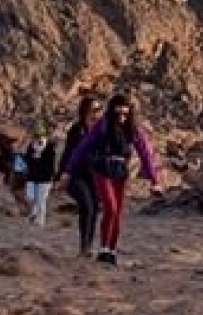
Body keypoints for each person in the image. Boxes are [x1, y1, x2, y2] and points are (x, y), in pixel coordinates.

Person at [60, 90, 160, 268]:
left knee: (118, 214)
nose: (122, 117)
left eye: (125, 114)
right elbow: (83, 147)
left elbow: (145, 153)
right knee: (111, 208)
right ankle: (103, 249)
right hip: (103, 169)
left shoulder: (132, 129)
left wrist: (155, 181)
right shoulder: (103, 125)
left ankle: (110, 251)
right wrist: (68, 170)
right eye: (118, 113)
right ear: (112, 111)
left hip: (120, 172)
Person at [57, 93, 102, 257]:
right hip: (76, 175)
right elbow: (69, 152)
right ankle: (84, 247)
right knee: (86, 205)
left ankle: (88, 247)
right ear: (85, 110)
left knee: (94, 208)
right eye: (94, 109)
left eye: (99, 109)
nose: (97, 112)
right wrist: (63, 173)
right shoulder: (77, 129)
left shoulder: (101, 131)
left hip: (94, 176)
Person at [22, 125, 58, 229]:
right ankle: (34, 213)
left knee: (41, 200)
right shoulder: (31, 146)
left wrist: (52, 177)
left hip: (45, 178)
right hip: (32, 176)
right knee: (30, 197)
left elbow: (50, 163)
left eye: (40, 135)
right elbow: (27, 159)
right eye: (36, 135)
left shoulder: (49, 147)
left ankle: (39, 222)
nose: (38, 137)